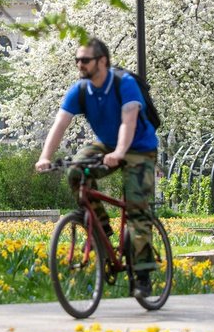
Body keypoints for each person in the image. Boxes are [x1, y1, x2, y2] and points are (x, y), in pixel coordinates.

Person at [35, 37, 159, 298]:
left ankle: (143, 275)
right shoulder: (80, 90)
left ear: (102, 61)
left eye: (85, 60)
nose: (79, 64)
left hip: (139, 148)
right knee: (76, 171)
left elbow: (128, 121)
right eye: (77, 60)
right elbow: (60, 124)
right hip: (107, 144)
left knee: (136, 208)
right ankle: (102, 230)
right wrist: (45, 157)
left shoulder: (124, 83)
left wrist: (120, 153)